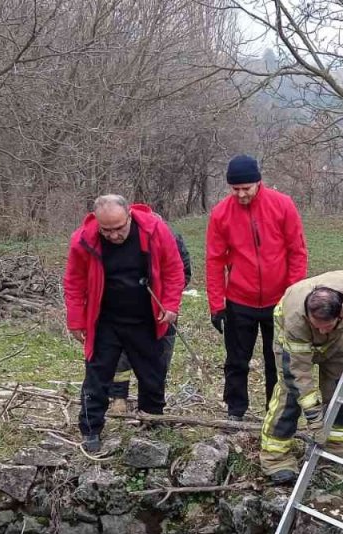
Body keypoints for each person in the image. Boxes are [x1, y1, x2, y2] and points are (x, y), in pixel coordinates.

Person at [63, 195, 185, 453]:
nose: (114, 235)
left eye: (119, 228)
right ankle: (91, 429)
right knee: (97, 375)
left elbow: (174, 270)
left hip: (146, 317)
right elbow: (74, 282)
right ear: (97, 223)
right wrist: (75, 320)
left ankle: (152, 422)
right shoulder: (83, 239)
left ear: (129, 216)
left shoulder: (154, 229)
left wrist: (171, 305)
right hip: (105, 319)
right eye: (107, 230)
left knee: (152, 374)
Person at [205, 154, 309, 421]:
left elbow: (297, 252)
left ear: (258, 183)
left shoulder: (282, 205)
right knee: (236, 360)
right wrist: (216, 305)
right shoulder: (220, 214)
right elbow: (215, 261)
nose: (241, 194)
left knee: (276, 361)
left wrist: (293, 296)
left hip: (279, 300)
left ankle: (274, 412)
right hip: (239, 300)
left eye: (246, 189)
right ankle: (235, 411)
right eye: (235, 189)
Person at [261, 271, 343, 484]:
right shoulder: (296, 320)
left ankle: (338, 445)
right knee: (291, 395)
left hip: (337, 341)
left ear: (341, 310)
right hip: (295, 344)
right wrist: (314, 418)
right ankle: (276, 459)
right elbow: (298, 375)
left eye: (325, 325)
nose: (321, 330)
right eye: (316, 325)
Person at [109, 232, 193, 409]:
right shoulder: (130, 238)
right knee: (123, 354)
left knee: (161, 357)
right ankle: (119, 396)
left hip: (163, 309)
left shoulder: (172, 238)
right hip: (132, 310)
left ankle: (152, 404)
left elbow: (183, 273)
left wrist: (167, 295)